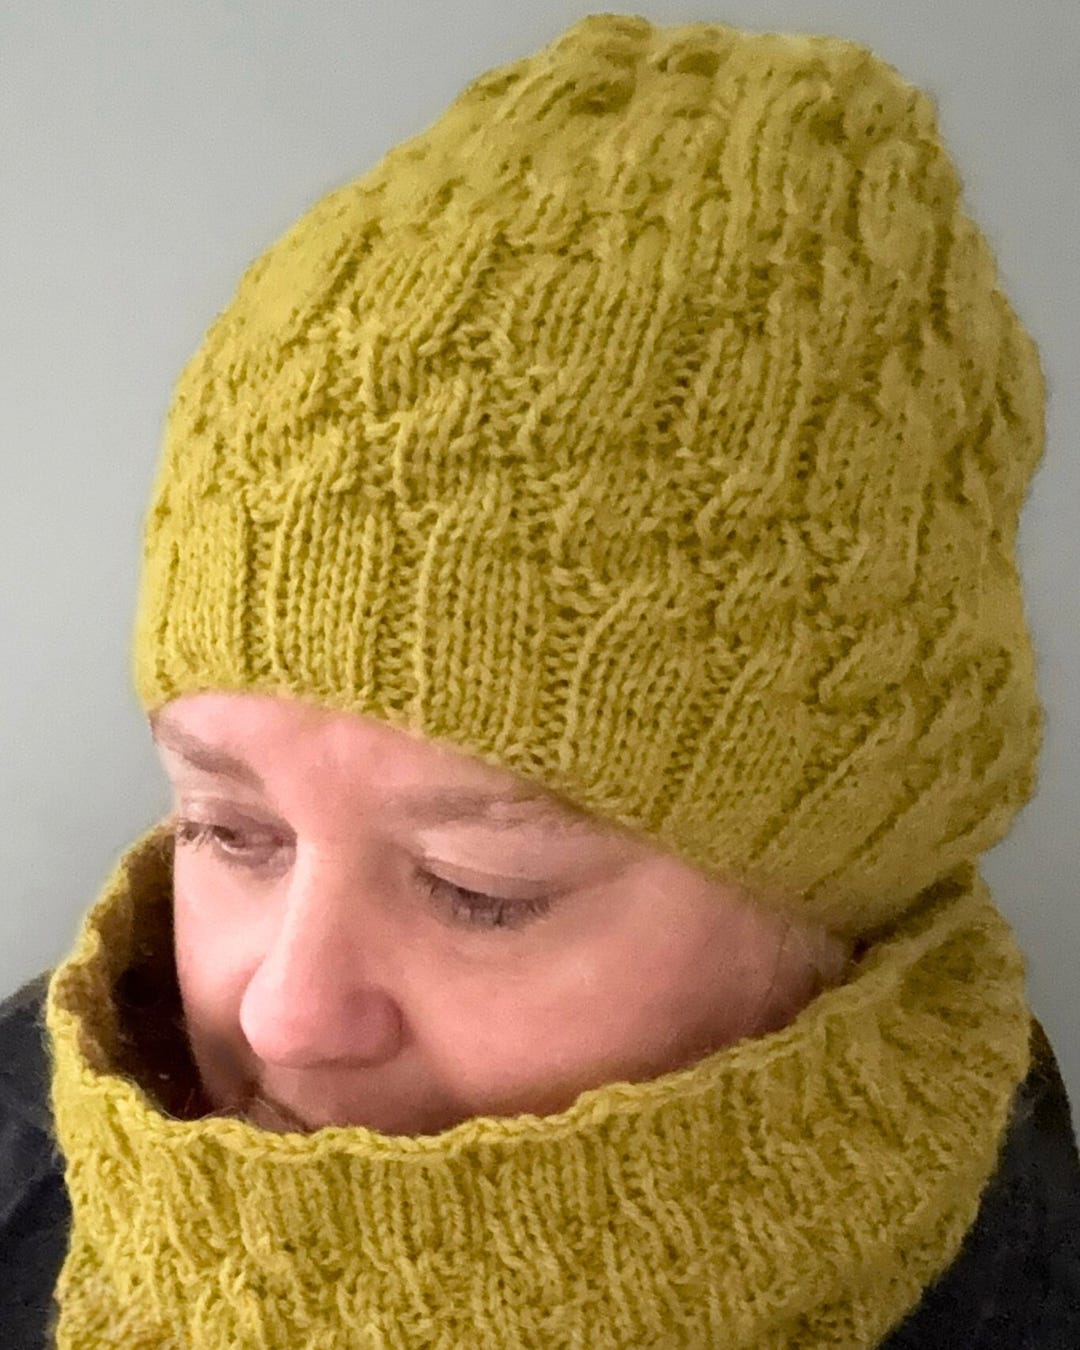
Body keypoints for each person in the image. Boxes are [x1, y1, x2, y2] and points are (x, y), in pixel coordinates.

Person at [3, 11, 1079, 1347]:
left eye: (481, 888)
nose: (285, 1013)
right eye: (230, 829)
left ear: (833, 928)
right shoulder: (36, 1129)